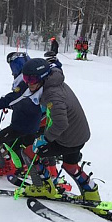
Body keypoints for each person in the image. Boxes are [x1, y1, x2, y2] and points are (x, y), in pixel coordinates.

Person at [22, 58, 103, 210]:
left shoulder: (52, 94)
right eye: (25, 78)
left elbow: (60, 123)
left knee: (29, 151)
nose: (28, 83)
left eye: (31, 79)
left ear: (42, 77)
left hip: (68, 138)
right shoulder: (54, 82)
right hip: (79, 134)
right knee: (70, 165)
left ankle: (45, 187)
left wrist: (44, 139)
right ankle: (91, 192)